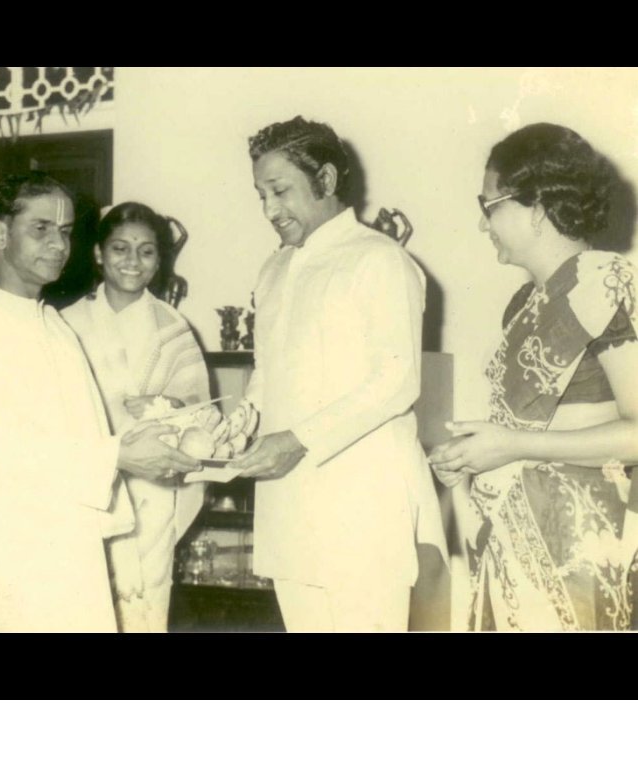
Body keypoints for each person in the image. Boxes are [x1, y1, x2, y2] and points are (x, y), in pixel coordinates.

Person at [0, 173, 200, 633]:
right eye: (40, 228)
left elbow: (76, 434)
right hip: (2, 560)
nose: (58, 245)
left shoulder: (52, 325)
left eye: (64, 231)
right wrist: (119, 455)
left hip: (61, 549)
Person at [232, 116, 447, 632]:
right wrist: (242, 421)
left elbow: (397, 381)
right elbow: (268, 370)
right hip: (290, 511)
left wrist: (297, 440)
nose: (269, 210)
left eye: (280, 191)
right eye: (261, 195)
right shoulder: (273, 269)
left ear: (325, 180)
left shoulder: (380, 260)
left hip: (362, 510)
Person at [429, 123, 638, 631]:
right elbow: (530, 430)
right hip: (513, 534)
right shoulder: (524, 303)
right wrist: (474, 455)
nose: (483, 223)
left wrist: (512, 445)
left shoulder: (608, 284)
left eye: (490, 206)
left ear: (538, 208)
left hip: (582, 543)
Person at [62, 202, 210, 632]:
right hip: (88, 488)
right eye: (120, 248)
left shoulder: (172, 327)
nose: (133, 261)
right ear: (98, 253)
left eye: (146, 251)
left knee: (144, 607)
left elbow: (201, 414)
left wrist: (168, 406)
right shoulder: (64, 324)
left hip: (151, 492)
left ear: (159, 259)